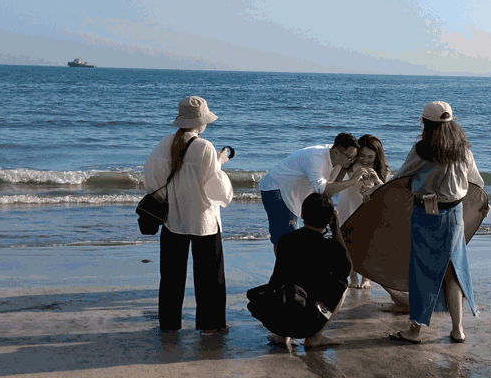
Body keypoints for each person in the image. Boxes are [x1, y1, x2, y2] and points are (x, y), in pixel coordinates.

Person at [388, 101, 485, 345]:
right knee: (453, 272)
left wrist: (377, 189)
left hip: (426, 215)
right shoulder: (464, 150)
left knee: (422, 272)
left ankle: (415, 331)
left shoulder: (423, 150)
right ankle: (458, 329)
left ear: (426, 123)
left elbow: (401, 176)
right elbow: (477, 183)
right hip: (455, 216)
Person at [142, 96, 234, 334]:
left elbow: (150, 178)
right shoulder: (205, 147)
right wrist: (220, 162)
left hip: (173, 220)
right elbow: (217, 189)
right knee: (210, 278)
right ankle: (210, 325)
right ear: (200, 122)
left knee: (171, 278)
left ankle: (170, 325)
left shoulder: (165, 143)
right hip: (203, 221)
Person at [248, 192, 353, 349]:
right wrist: (336, 228)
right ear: (330, 219)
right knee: (342, 284)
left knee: (287, 281)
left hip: (276, 319)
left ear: (302, 214)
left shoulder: (285, 241)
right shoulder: (330, 248)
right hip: (309, 322)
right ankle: (315, 337)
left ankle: (282, 337)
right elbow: (348, 269)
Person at [257, 133, 360, 244]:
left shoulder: (339, 160)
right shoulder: (316, 157)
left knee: (291, 237)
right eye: (350, 157)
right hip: (275, 188)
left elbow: (329, 190)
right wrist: (352, 182)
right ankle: (284, 261)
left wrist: (327, 208)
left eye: (355, 157)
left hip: (295, 193)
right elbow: (321, 188)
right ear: (336, 151)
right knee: (287, 237)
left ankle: (286, 260)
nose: (352, 161)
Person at [335, 133, 388, 290]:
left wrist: (374, 183)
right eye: (362, 155)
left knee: (367, 241)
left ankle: (365, 278)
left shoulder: (381, 168)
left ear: (377, 156)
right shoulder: (350, 164)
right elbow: (337, 182)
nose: (365, 160)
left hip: (368, 205)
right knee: (348, 239)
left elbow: (384, 189)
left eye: (370, 157)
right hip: (348, 201)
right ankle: (352, 276)